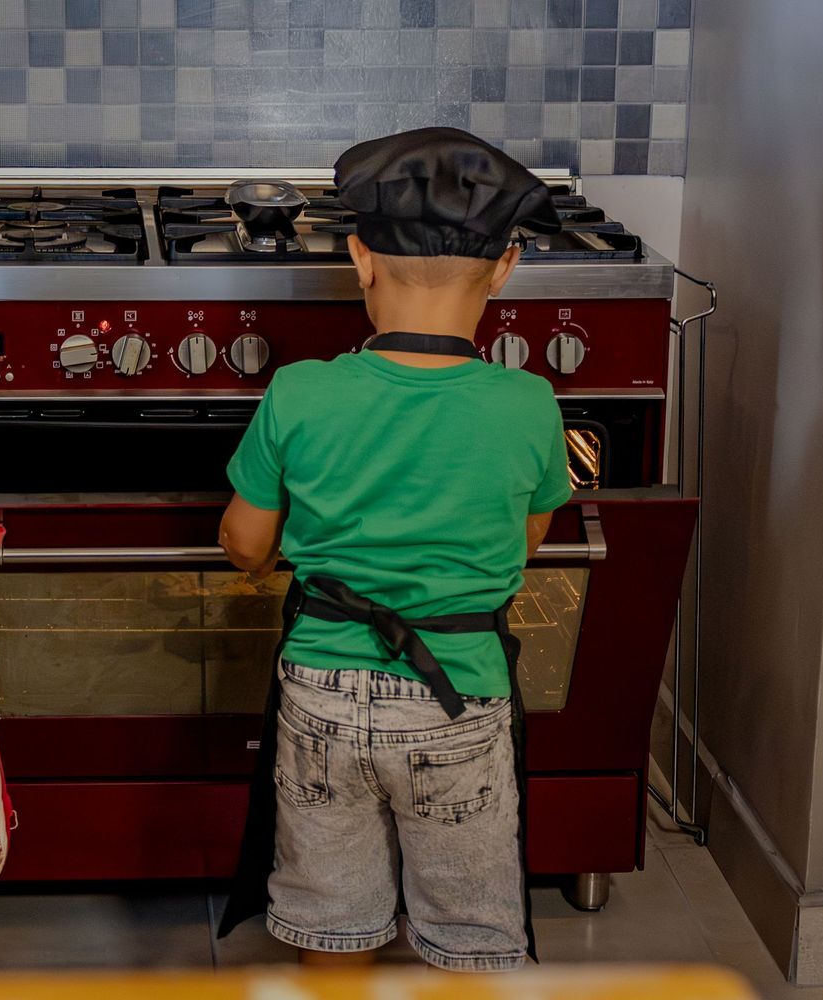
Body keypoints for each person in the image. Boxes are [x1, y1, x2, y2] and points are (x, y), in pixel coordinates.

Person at [216, 127, 571, 972]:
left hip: (322, 701)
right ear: (507, 268)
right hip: (457, 702)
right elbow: (525, 542)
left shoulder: (301, 389)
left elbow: (244, 541)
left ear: (361, 258)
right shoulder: (529, 404)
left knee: (334, 925)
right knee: (469, 938)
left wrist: (265, 562)